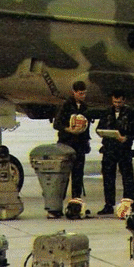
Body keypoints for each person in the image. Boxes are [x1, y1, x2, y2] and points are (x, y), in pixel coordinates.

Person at [95, 89, 134, 216]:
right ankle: (109, 204)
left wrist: (126, 138)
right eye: (114, 102)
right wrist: (103, 133)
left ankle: (129, 203)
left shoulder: (130, 113)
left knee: (127, 178)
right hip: (109, 149)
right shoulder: (107, 112)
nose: (117, 104)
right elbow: (99, 127)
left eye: (119, 102)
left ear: (124, 101)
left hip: (124, 149)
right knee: (108, 178)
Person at [52, 81, 91, 218]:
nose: (83, 96)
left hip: (80, 145)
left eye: (84, 93)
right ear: (74, 92)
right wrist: (69, 130)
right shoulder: (66, 105)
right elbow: (57, 124)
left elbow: (86, 127)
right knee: (63, 176)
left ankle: (76, 203)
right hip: (67, 143)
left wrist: (86, 142)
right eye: (80, 93)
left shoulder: (85, 107)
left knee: (78, 175)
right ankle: (57, 206)